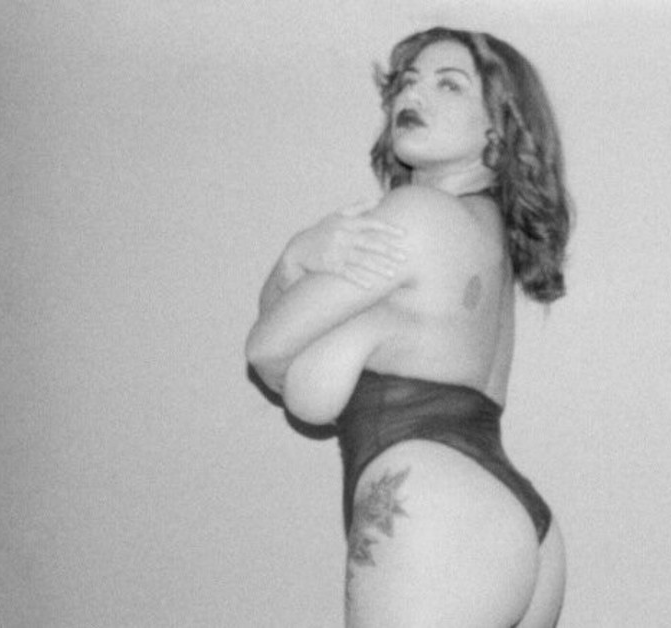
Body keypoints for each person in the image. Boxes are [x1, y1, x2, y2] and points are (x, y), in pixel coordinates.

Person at [245, 27, 570, 627]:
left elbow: (266, 349)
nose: (414, 95)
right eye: (408, 82)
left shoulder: (414, 214)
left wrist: (295, 257)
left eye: (450, 85)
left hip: (427, 500)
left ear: (498, 130)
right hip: (523, 529)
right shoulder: (489, 239)